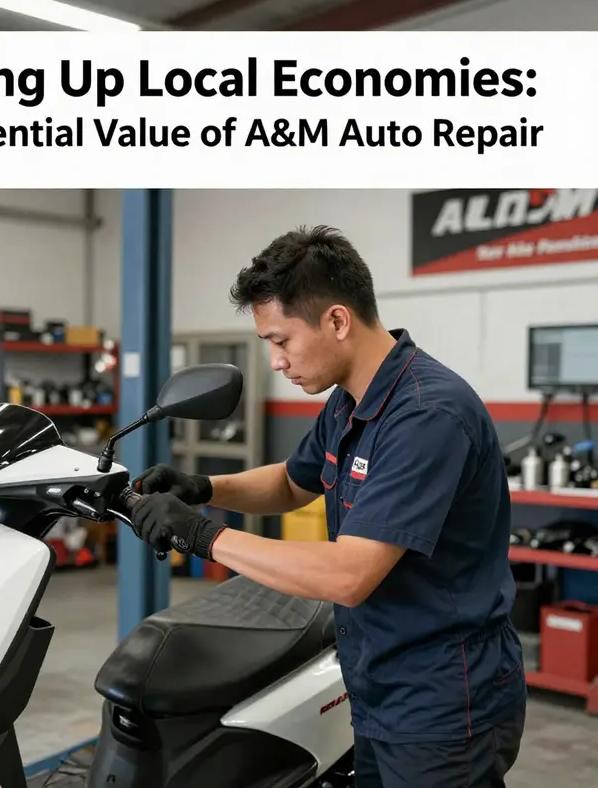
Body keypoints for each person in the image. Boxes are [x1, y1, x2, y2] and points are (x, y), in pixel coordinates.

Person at [128, 225, 527, 788]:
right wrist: (205, 488)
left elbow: (349, 574)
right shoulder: (351, 399)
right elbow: (294, 483)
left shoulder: (425, 415)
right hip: (376, 681)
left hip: (442, 700)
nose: (275, 362)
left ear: (337, 321)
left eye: (281, 340)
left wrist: (203, 536)